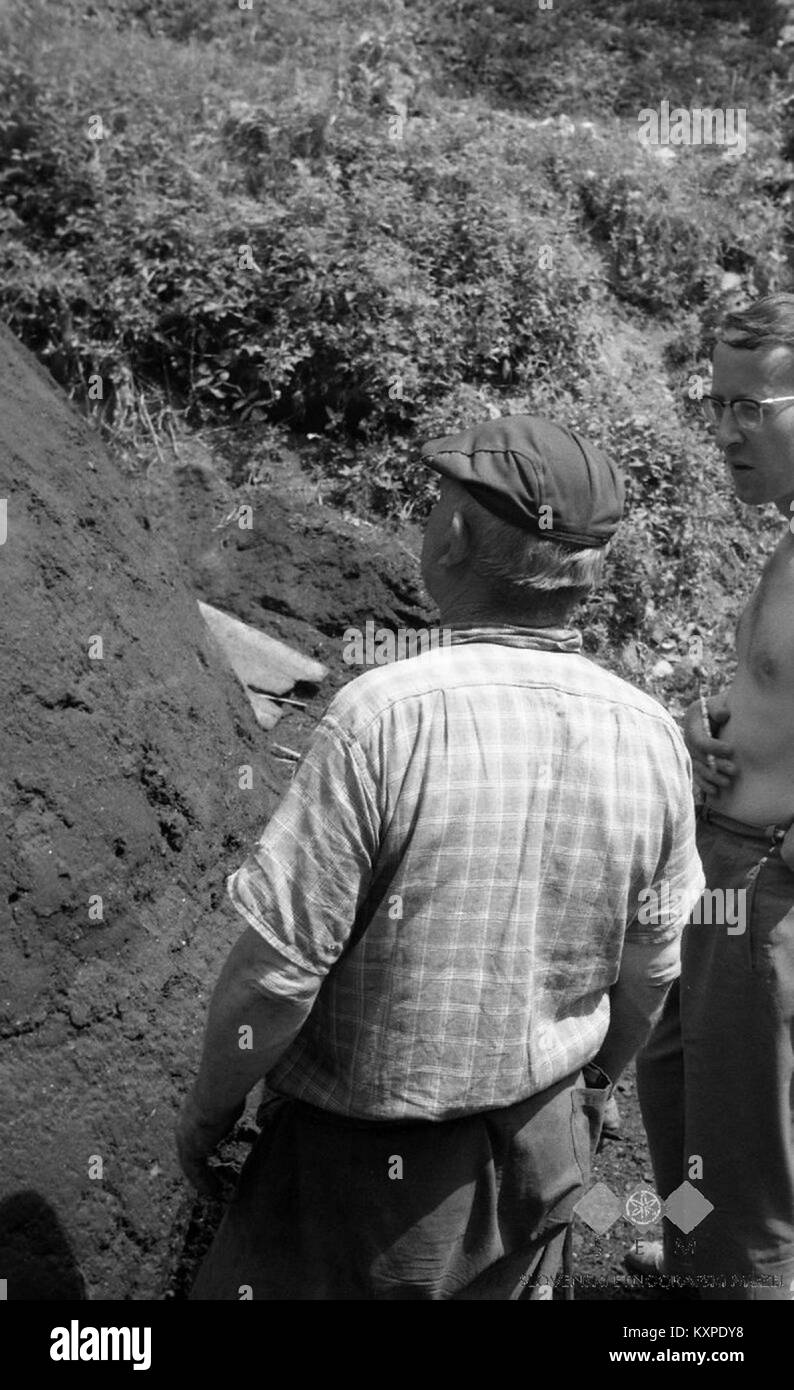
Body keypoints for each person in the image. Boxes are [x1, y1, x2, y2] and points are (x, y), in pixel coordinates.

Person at [176, 415, 704, 1300]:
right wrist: (597, 1085)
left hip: (366, 1185)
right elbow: (651, 969)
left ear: (454, 535)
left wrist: (209, 1108)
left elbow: (278, 976)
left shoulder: (383, 716)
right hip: (540, 1152)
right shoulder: (650, 734)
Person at [628, 292, 794, 1300]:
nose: (725, 432)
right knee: (677, 1093)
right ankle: (693, 1253)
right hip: (718, 872)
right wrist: (703, 727)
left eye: (752, 406)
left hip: (767, 890)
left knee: (746, 1144)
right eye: (716, 405)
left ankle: (738, 1294)